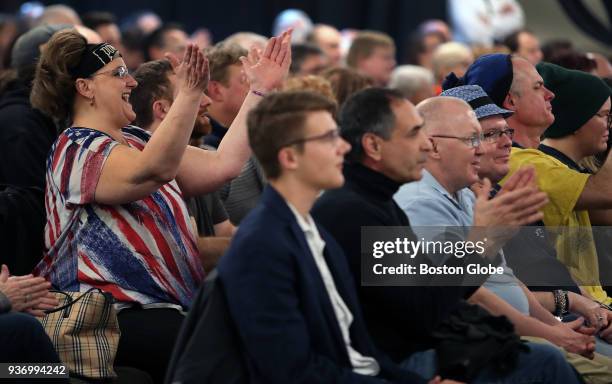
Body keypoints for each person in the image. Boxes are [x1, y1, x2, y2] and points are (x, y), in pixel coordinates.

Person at [30, 28, 292, 383]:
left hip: (165, 309)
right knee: (234, 352)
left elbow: (223, 166)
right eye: (119, 74)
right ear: (85, 87)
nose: (132, 83)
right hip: (110, 316)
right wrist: (188, 93)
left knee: (260, 335)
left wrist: (260, 89)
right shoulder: (76, 149)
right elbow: (152, 170)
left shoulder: (138, 140)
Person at [312, 87, 581, 383]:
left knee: (544, 360)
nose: (425, 148)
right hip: (401, 364)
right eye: (414, 135)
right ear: (374, 146)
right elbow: (426, 310)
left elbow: (431, 293)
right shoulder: (354, 212)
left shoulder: (376, 200)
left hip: (413, 352)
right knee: (545, 363)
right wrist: (482, 243)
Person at [218, 90, 448, 384]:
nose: (343, 147)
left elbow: (357, 349)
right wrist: (484, 244)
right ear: (289, 157)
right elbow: (293, 372)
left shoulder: (311, 229)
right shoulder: (265, 245)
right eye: (328, 138)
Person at [130, 59, 235, 272]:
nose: (207, 101)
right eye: (192, 92)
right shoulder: (145, 167)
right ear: (162, 108)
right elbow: (189, 253)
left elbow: (225, 230)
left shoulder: (198, 159)